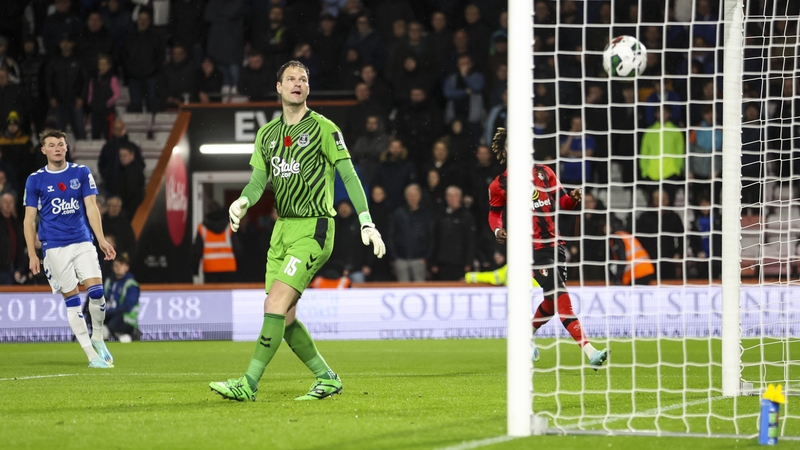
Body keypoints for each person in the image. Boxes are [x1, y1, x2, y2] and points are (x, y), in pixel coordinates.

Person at [210, 60, 386, 402]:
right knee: (284, 316)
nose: (297, 83)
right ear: (278, 87)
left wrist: (366, 218)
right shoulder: (267, 135)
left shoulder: (324, 128)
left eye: (303, 79)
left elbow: (348, 175)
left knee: (274, 303)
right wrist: (243, 201)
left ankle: (248, 383)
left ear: (308, 88)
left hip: (315, 227)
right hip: (283, 230)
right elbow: (259, 181)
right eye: (290, 78)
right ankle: (327, 377)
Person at [487, 127, 607, 368]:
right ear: (505, 150)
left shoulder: (545, 173)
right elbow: (494, 214)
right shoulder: (499, 184)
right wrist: (498, 230)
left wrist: (573, 197)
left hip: (556, 245)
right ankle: (590, 351)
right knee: (560, 294)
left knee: (552, 304)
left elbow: (562, 201)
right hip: (530, 249)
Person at [23, 128, 116, 369]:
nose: (57, 148)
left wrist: (102, 240)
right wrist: (33, 254)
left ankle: (97, 337)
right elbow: (29, 220)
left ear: (66, 147)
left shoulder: (81, 173)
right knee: (72, 301)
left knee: (97, 292)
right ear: (43, 150)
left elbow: (92, 208)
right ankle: (91, 356)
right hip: (54, 248)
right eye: (52, 145)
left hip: (83, 241)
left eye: (61, 144)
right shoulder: (35, 180)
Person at [192, 201, 238, 283]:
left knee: (212, 295)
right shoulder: (229, 227)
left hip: (210, 269)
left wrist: (194, 270)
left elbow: (196, 252)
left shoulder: (202, 228)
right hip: (228, 268)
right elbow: (238, 249)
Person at [102, 252, 141, 343]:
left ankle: (132, 334)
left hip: (126, 318)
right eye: (116, 265)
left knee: (112, 325)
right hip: (109, 314)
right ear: (112, 268)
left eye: (121, 265)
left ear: (127, 267)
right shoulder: (108, 282)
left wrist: (110, 312)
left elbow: (127, 306)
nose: (118, 268)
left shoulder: (131, 285)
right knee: (98, 325)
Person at [608, 219, 655, 286]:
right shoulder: (625, 235)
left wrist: (617, 278)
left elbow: (622, 259)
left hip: (637, 273)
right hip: (645, 269)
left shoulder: (617, 237)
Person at [0, 192, 26, 285]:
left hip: (12, 268)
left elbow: (20, 245)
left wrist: (19, 267)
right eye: (5, 202)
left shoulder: (16, 223)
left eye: (10, 202)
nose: (8, 204)